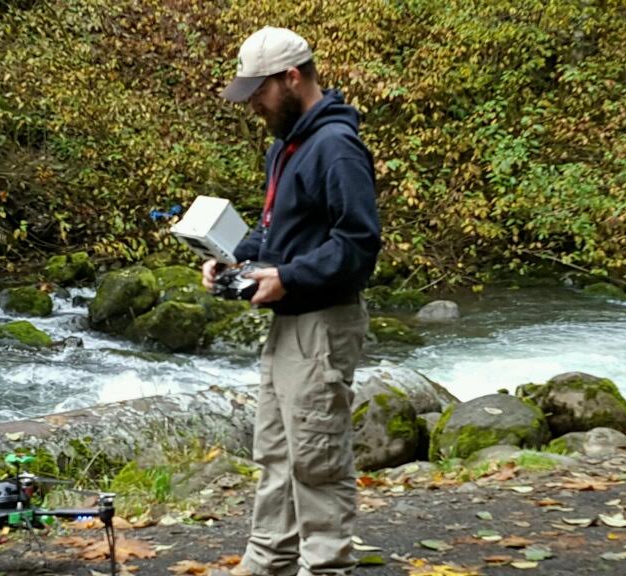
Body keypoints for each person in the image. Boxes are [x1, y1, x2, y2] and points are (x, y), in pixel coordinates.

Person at [202, 26, 382, 576]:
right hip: (290, 321)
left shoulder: (336, 147)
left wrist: (288, 278)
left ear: (292, 77)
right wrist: (232, 259)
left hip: (323, 323)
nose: (252, 104)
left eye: (259, 91)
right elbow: (273, 231)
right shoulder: (286, 146)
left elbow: (359, 245)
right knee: (277, 451)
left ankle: (326, 566)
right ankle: (268, 560)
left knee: (316, 456)